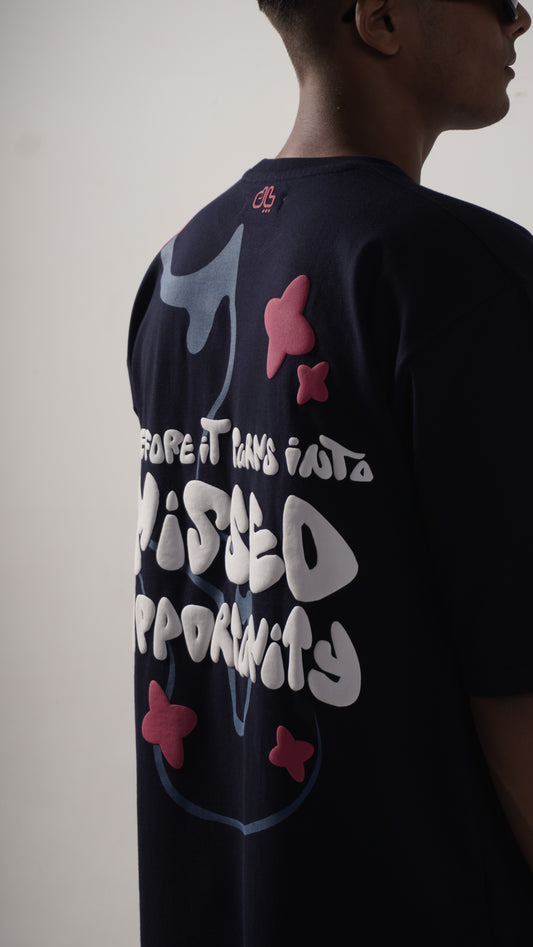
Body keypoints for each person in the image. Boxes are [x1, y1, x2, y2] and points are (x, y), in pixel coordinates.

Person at [127, 1, 533, 943]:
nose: (518, 17)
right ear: (380, 18)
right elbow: (514, 676)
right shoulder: (464, 274)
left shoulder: (175, 268)